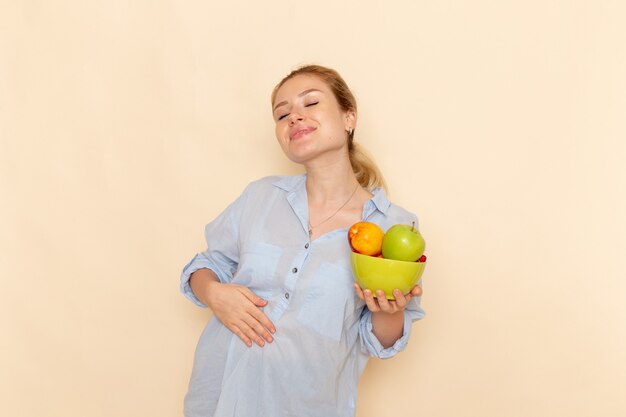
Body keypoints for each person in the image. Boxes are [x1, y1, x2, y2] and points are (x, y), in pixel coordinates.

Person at [180, 64, 425, 417]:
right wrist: (214, 294)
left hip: (308, 405)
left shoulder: (395, 227)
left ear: (348, 118)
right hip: (220, 396)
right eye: (282, 114)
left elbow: (379, 341)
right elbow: (206, 265)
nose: (294, 117)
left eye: (310, 104)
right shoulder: (260, 196)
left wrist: (392, 309)